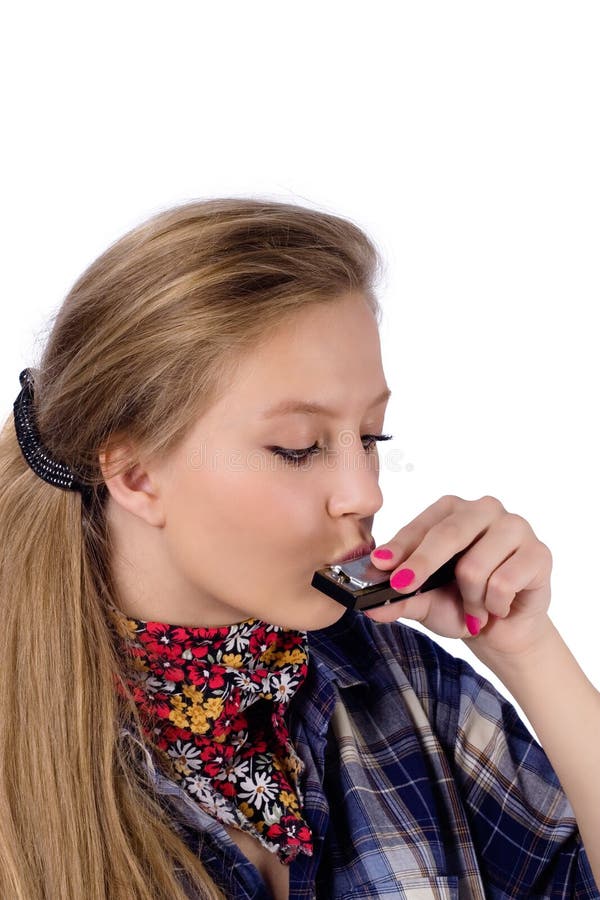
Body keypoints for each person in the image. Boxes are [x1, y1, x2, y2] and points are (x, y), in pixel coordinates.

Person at [0, 198, 598, 900]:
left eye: (372, 438)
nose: (364, 494)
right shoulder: (26, 736)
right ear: (135, 475)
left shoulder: (396, 682)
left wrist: (526, 648)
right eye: (299, 447)